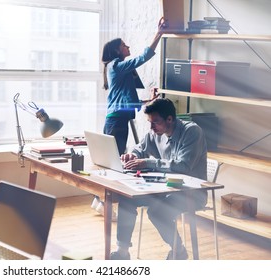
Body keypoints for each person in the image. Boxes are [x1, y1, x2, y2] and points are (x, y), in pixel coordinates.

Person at [110, 98, 208, 260]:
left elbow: (184, 166)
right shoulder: (155, 131)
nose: (151, 127)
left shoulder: (192, 132)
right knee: (127, 199)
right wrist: (132, 155)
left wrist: (147, 162)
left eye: (155, 122)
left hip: (192, 192)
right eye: (149, 122)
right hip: (164, 188)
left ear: (169, 119)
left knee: (157, 212)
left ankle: (179, 251)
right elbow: (140, 148)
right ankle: (122, 251)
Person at [91, 17, 166, 217]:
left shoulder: (116, 69)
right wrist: (158, 34)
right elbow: (142, 58)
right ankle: (102, 201)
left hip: (117, 118)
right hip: (117, 121)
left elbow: (126, 100)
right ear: (117, 51)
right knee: (115, 162)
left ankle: (99, 200)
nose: (128, 46)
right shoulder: (116, 65)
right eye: (124, 45)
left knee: (112, 160)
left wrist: (148, 101)